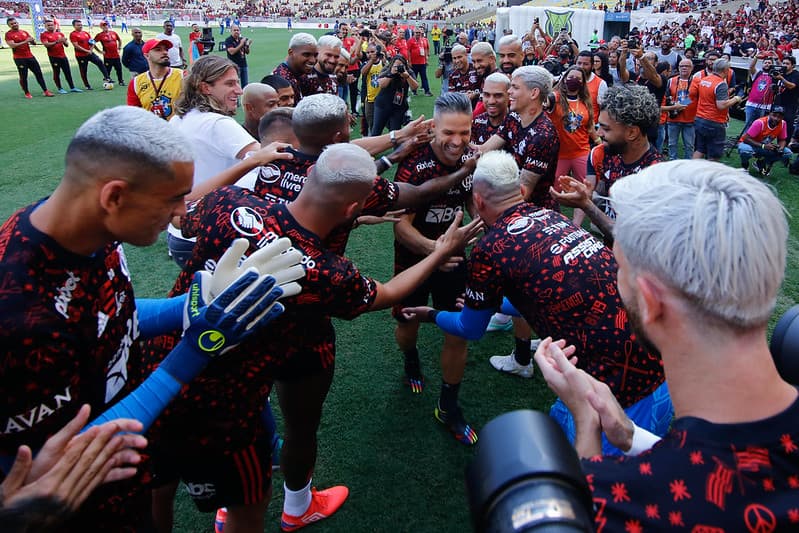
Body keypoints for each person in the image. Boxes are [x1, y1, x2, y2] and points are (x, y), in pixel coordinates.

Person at [145, 142, 481, 532]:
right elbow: (388, 293)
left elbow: (185, 214)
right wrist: (440, 253)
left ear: (309, 177)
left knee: (155, 487)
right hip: (225, 408)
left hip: (153, 369)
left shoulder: (229, 200)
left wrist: (249, 165)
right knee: (248, 505)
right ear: (352, 210)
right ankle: (295, 507)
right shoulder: (326, 272)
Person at [0, 106, 290, 530]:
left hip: (127, 478)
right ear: (114, 196)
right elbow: (74, 457)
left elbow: (103, 319)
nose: (181, 213)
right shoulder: (20, 320)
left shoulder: (81, 228)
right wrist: (196, 349)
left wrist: (188, 311)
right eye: (173, 198)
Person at [535, 159, 798, 530]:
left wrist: (585, 423)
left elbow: (583, 512)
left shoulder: (622, 501)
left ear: (651, 302)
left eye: (619, 270)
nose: (615, 278)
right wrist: (631, 435)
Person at [401, 151, 671, 455]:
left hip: (609, 392)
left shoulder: (490, 249)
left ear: (478, 201)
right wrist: (498, 304)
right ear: (519, 192)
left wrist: (431, 314)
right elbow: (546, 295)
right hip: (662, 368)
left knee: (596, 485)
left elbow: (470, 328)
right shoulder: (554, 216)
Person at [392, 93, 478, 445]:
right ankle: (411, 360)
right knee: (407, 320)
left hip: (455, 261)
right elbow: (400, 225)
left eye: (465, 132)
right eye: (449, 133)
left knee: (458, 329)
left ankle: (448, 404)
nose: (457, 141)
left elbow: (476, 207)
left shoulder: (473, 161)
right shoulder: (415, 160)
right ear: (434, 127)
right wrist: (434, 252)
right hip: (415, 260)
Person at [167, 55, 259, 267]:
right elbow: (265, 161)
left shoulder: (178, 119)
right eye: (230, 83)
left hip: (180, 235)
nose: (239, 90)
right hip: (206, 233)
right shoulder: (218, 124)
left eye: (237, 82)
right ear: (205, 88)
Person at [553, 84, 662, 241]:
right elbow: (604, 204)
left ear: (632, 132)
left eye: (606, 129)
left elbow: (629, 239)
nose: (598, 133)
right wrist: (587, 195)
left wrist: (586, 204)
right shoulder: (602, 154)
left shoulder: (655, 176)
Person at [547, 66, 599, 226]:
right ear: (564, 78)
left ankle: (575, 226)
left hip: (581, 152)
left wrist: (599, 143)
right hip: (558, 153)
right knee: (552, 191)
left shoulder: (585, 102)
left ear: (583, 83)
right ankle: (556, 222)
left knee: (584, 189)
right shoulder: (555, 98)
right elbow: (544, 102)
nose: (573, 80)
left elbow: (589, 128)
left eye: (578, 78)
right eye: (570, 77)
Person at [690, 58, 743, 161]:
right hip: (714, 121)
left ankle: (691, 172)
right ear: (725, 70)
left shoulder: (705, 79)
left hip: (700, 118)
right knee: (714, 155)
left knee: (700, 149)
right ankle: (709, 175)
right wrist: (736, 98)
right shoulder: (720, 84)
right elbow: (721, 105)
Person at [127, 39, 184, 121]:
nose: (165, 52)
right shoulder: (136, 83)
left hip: (177, 131)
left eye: (166, 49)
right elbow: (134, 115)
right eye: (158, 50)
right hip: (152, 132)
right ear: (147, 56)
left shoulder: (183, 77)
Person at [5, 17, 54, 98]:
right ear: (9, 25)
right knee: (24, 76)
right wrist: (26, 41)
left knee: (38, 73)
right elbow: (12, 45)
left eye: (15, 23)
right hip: (19, 58)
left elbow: (33, 43)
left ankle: (45, 91)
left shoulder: (24, 32)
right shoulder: (8, 34)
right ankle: (27, 92)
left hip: (30, 56)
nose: (14, 25)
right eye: (12, 24)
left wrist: (32, 41)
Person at [371, 54, 418, 136]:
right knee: (376, 131)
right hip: (383, 105)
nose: (398, 68)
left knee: (395, 133)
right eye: (396, 66)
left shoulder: (408, 71)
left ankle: (396, 148)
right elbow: (382, 85)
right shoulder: (387, 69)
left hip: (398, 107)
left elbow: (415, 87)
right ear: (392, 64)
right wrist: (391, 74)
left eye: (401, 65)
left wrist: (407, 76)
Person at [737, 106, 792, 176]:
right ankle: (745, 166)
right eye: (774, 115)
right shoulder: (760, 122)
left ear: (782, 117)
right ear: (769, 114)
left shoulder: (783, 123)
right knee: (745, 151)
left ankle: (760, 163)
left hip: (765, 146)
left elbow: (782, 140)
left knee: (787, 153)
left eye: (779, 117)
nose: (776, 119)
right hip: (749, 144)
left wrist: (780, 148)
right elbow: (746, 139)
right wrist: (763, 146)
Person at [664, 58, 698, 159]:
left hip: (690, 120)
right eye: (681, 66)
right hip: (673, 119)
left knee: (689, 145)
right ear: (678, 68)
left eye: (687, 66)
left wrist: (682, 104)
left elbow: (695, 98)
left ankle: (688, 165)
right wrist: (674, 107)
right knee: (672, 144)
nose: (684, 68)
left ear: (692, 68)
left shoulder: (697, 82)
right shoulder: (671, 81)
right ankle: (672, 162)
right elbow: (666, 97)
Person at [273, 32, 318, 105]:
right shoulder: (283, 81)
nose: (313, 60)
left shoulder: (301, 73)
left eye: (315, 55)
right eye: (306, 54)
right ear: (291, 52)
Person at [40, 18, 80, 94]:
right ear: (45, 26)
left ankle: (72, 87)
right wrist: (57, 41)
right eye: (48, 25)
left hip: (63, 56)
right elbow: (46, 45)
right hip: (54, 57)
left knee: (67, 72)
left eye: (52, 25)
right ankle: (60, 88)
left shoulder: (59, 34)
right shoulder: (44, 35)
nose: (51, 26)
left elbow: (67, 45)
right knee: (56, 72)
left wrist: (64, 41)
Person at [69, 19, 111, 90]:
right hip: (81, 56)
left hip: (89, 53)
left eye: (81, 25)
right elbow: (76, 45)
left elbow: (92, 42)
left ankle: (107, 77)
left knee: (99, 62)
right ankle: (87, 85)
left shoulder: (85, 33)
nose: (80, 26)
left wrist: (90, 50)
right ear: (74, 26)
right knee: (84, 70)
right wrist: (86, 50)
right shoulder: (73, 34)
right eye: (78, 25)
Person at [471, 72, 509, 144]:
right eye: (486, 95)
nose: (491, 101)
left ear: (509, 95)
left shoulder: (516, 124)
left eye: (498, 95)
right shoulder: (477, 122)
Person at [361, 42, 385, 134]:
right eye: (368, 52)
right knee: (371, 123)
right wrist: (371, 60)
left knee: (382, 122)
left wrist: (384, 58)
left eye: (372, 52)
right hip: (370, 99)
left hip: (382, 97)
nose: (370, 54)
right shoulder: (366, 64)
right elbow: (363, 72)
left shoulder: (382, 63)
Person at [575, 50, 607, 118]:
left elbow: (604, 110)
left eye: (585, 64)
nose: (581, 67)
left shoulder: (601, 84)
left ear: (592, 66)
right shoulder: (567, 78)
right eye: (579, 63)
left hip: (590, 126)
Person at [775, 56, 799, 140]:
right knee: (775, 123)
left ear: (793, 65)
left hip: (790, 105)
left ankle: (784, 146)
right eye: (784, 63)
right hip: (779, 102)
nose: (785, 65)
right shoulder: (783, 72)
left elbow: (792, 86)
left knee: (787, 126)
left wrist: (781, 78)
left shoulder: (796, 74)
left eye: (787, 64)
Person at [95, 20, 124, 85]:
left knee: (119, 69)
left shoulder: (113, 33)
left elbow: (119, 40)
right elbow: (92, 43)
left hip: (116, 55)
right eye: (103, 25)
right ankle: (107, 80)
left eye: (106, 25)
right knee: (108, 69)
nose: (105, 26)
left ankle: (121, 81)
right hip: (107, 56)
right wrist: (99, 51)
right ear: (101, 27)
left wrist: (119, 48)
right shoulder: (100, 35)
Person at [408, 28, 432, 96]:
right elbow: (408, 51)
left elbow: (425, 49)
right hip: (414, 63)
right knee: (414, 77)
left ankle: (427, 91)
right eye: (416, 32)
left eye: (419, 32)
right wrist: (409, 61)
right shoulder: (410, 41)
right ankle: (414, 90)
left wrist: (426, 59)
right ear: (414, 33)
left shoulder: (422, 40)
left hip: (422, 62)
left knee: (424, 77)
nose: (418, 34)